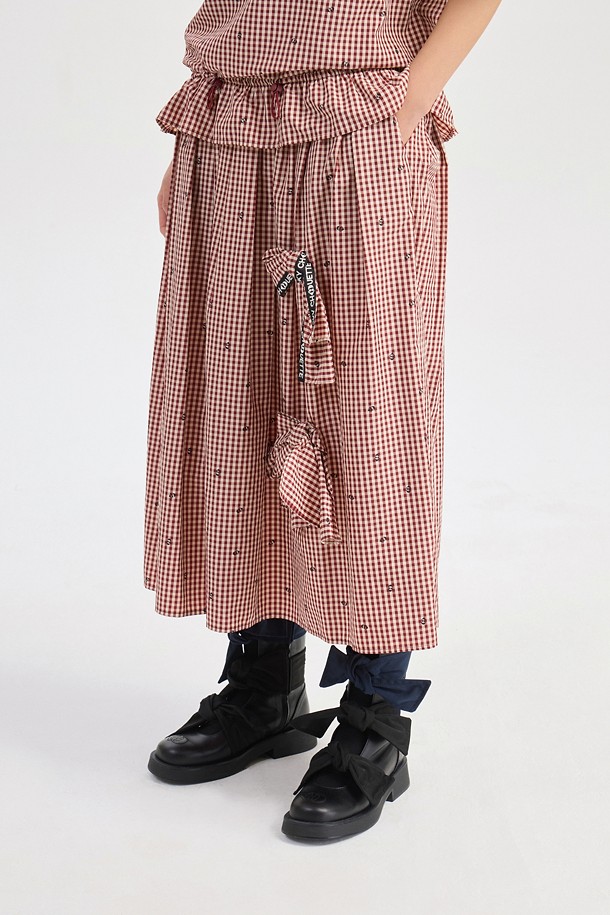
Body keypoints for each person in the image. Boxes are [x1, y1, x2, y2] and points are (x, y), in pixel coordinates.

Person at [143, 0, 502, 841]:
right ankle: (265, 678)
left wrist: (411, 100)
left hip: (360, 124)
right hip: (229, 122)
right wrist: (195, 133)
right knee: (232, 407)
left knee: (368, 422)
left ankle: (376, 713)